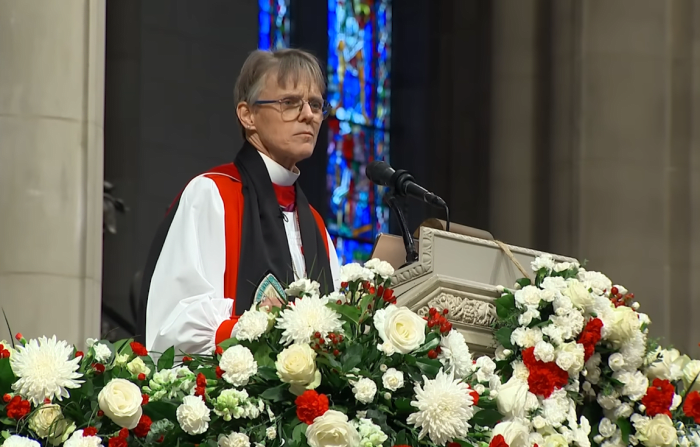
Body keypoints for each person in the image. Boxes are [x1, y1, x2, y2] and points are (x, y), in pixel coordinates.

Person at [137, 49, 341, 356]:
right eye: (290, 103)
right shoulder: (211, 195)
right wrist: (260, 331)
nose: (309, 115)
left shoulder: (315, 227)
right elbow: (173, 324)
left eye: (316, 104)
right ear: (248, 115)